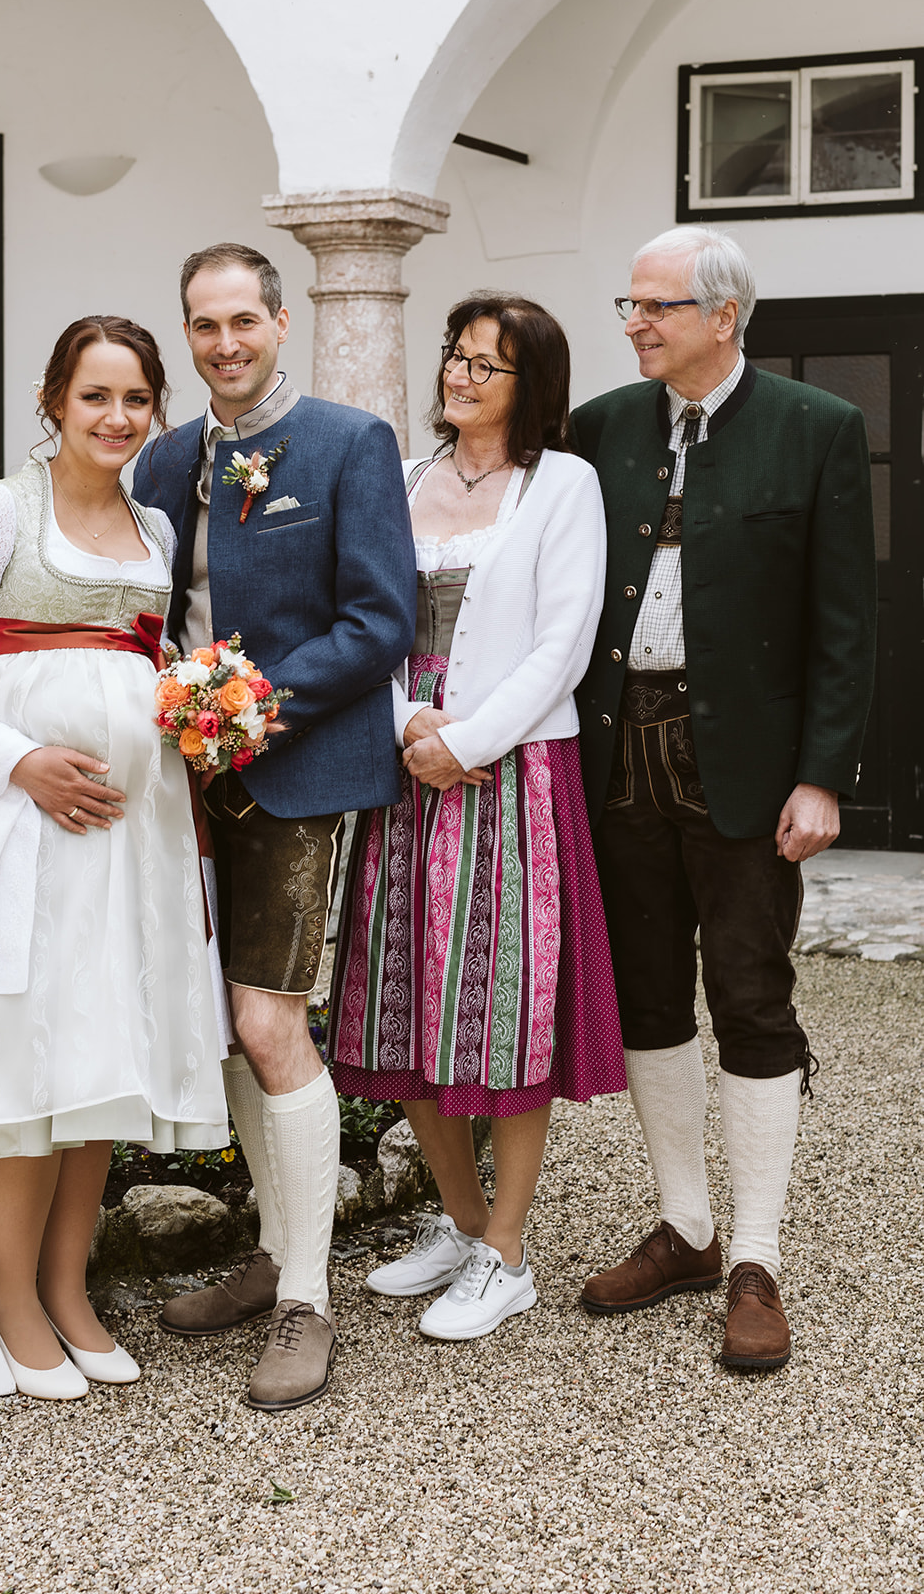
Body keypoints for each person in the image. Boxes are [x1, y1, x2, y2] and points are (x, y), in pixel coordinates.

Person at [0, 316, 231, 1400]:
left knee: (101, 1056)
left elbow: (145, 663)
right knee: (30, 1056)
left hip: (134, 839)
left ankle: (70, 1289)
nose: (116, 419)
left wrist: (199, 716)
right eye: (94, 398)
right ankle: (12, 1298)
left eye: (135, 400)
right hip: (26, 832)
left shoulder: (156, 529)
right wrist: (20, 759)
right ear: (53, 402)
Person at [570, 227, 876, 1369]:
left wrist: (822, 774)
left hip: (747, 765)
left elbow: (844, 625)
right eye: (629, 303)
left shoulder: (817, 429)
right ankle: (685, 1227)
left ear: (724, 316)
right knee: (647, 995)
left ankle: (754, 1255)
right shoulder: (601, 426)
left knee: (748, 995)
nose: (635, 322)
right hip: (619, 755)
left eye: (656, 306)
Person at [132, 243, 415, 1410]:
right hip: (180, 782)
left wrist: (253, 706)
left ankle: (306, 1296)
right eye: (203, 326)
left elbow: (379, 617)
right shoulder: (159, 459)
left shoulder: (351, 443)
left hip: (296, 770)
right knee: (221, 1022)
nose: (224, 343)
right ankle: (269, 1246)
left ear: (282, 322)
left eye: (242, 320)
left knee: (267, 1015)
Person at [327, 292, 626, 1342]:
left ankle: (505, 1250)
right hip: (405, 766)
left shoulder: (562, 485)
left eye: (485, 365)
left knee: (502, 1011)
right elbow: (368, 621)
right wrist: (412, 724)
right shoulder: (399, 480)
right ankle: (457, 1225)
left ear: (528, 383)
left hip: (511, 775)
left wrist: (469, 738)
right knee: (399, 998)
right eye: (455, 356)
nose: (459, 375)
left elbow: (563, 642)